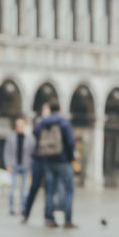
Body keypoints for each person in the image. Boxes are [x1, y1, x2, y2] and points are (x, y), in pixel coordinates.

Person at [34, 98, 76, 229]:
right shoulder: (63, 122)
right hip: (62, 160)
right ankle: (67, 220)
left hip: (48, 160)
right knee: (69, 189)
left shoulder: (43, 122)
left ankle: (49, 219)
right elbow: (70, 142)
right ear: (60, 109)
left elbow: (35, 133)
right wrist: (70, 158)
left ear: (49, 109)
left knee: (49, 190)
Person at [4, 117, 35, 216]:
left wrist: (31, 168)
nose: (20, 128)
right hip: (14, 165)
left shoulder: (30, 138)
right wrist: (8, 164)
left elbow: (32, 153)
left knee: (24, 189)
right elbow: (7, 151)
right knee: (13, 188)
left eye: (21, 126)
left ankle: (23, 208)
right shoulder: (11, 137)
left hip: (26, 166)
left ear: (24, 126)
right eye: (18, 126)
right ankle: (12, 208)